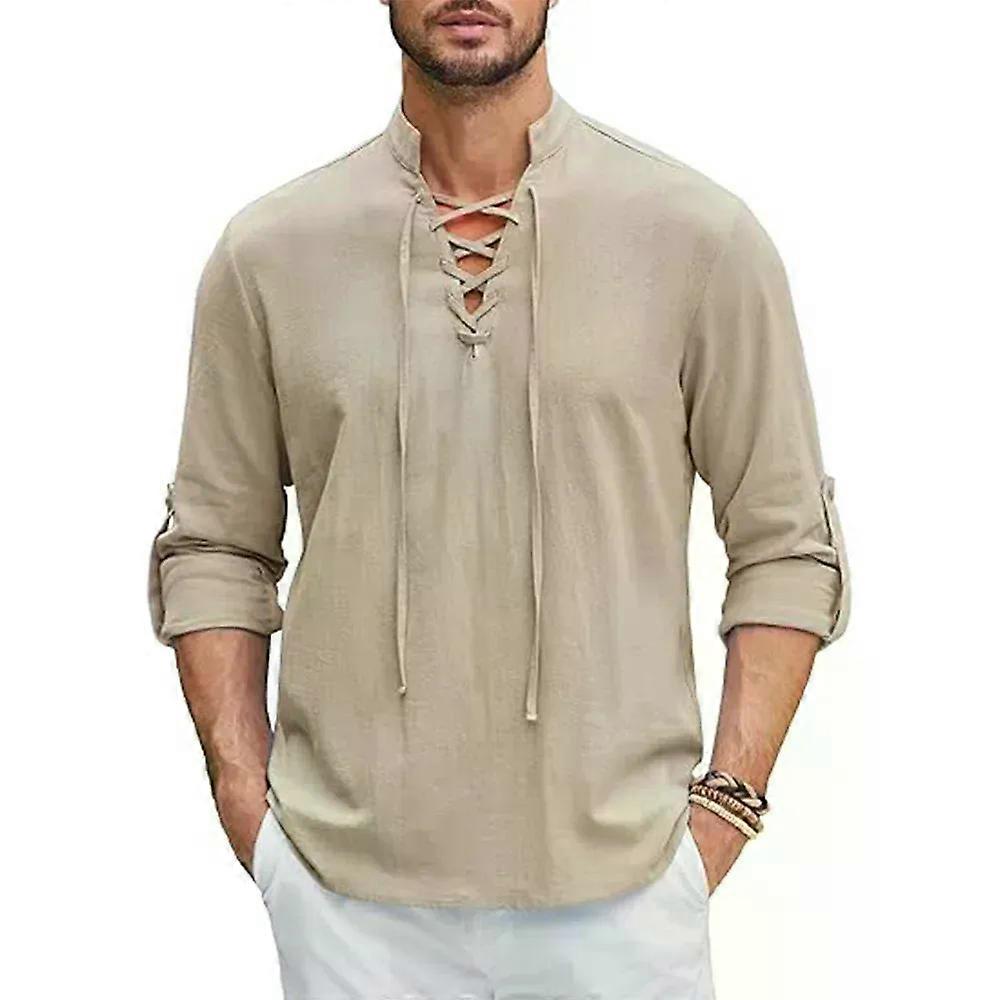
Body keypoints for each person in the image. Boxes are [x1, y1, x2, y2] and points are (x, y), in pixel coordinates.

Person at [147, 1, 850, 997]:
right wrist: (246, 801)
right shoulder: (270, 252)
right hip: (347, 906)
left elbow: (784, 542)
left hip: (624, 899)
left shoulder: (698, 239)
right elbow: (216, 543)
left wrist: (724, 810)